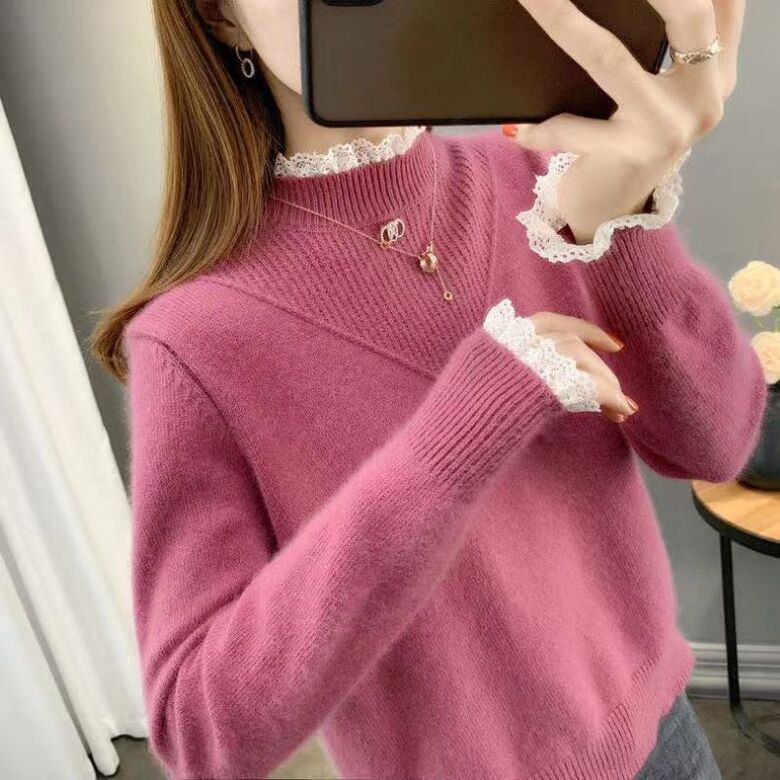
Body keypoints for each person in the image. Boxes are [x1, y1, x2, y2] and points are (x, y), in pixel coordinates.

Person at [90, 1, 755, 778]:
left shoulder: (553, 182)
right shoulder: (194, 341)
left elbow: (716, 443)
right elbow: (201, 732)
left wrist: (627, 220)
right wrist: (458, 435)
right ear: (218, 16)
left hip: (669, 747)